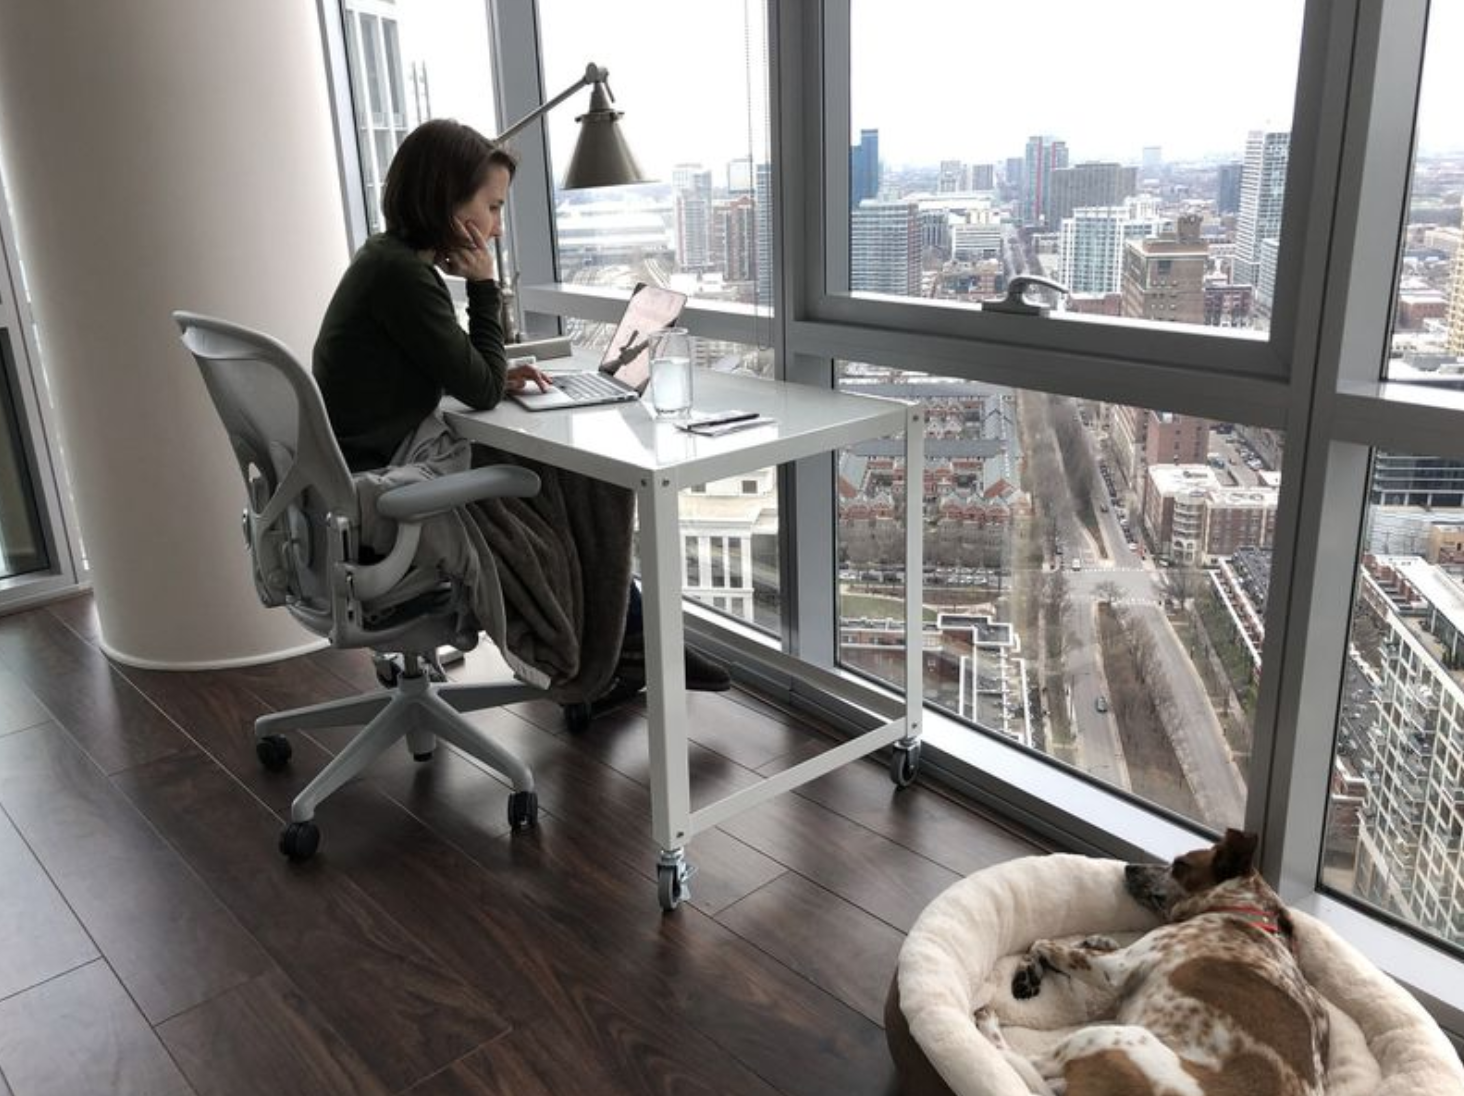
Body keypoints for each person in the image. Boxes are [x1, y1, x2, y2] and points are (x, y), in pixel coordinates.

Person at [312, 118, 729, 702]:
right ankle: (622, 648)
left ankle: (629, 641)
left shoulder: (387, 261)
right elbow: (478, 388)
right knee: (571, 481)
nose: (498, 229)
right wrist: (484, 285)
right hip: (381, 485)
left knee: (564, 477)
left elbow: (460, 370)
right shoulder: (403, 276)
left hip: (357, 472)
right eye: (493, 207)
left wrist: (490, 373)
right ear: (448, 202)